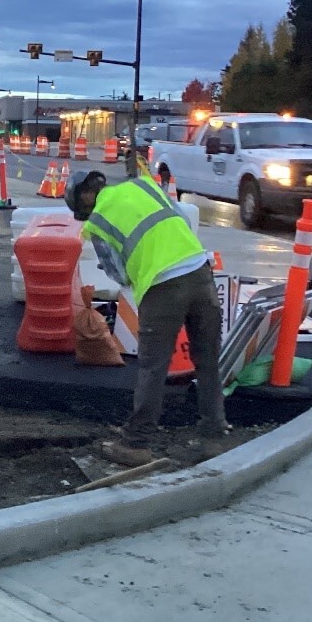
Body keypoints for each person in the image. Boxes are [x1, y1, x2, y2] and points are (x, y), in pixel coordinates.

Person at [65, 169, 229, 466]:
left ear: (84, 198)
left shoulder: (99, 222)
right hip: (201, 273)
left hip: (163, 285)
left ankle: (136, 442)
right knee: (207, 360)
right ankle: (213, 436)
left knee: (153, 367)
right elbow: (178, 221)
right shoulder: (145, 187)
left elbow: (120, 274)